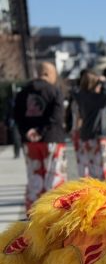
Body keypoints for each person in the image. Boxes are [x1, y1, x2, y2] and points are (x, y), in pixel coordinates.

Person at [12, 62, 68, 209]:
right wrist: (41, 131)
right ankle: (54, 213)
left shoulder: (23, 92)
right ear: (49, 74)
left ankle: (34, 214)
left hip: (30, 142)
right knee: (55, 178)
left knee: (34, 178)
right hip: (52, 139)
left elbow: (16, 115)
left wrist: (28, 131)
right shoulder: (54, 91)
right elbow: (57, 116)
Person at [73, 71, 106, 181]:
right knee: (105, 169)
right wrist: (105, 81)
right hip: (98, 136)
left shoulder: (80, 96)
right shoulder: (97, 99)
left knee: (91, 170)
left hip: (85, 136)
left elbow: (75, 90)